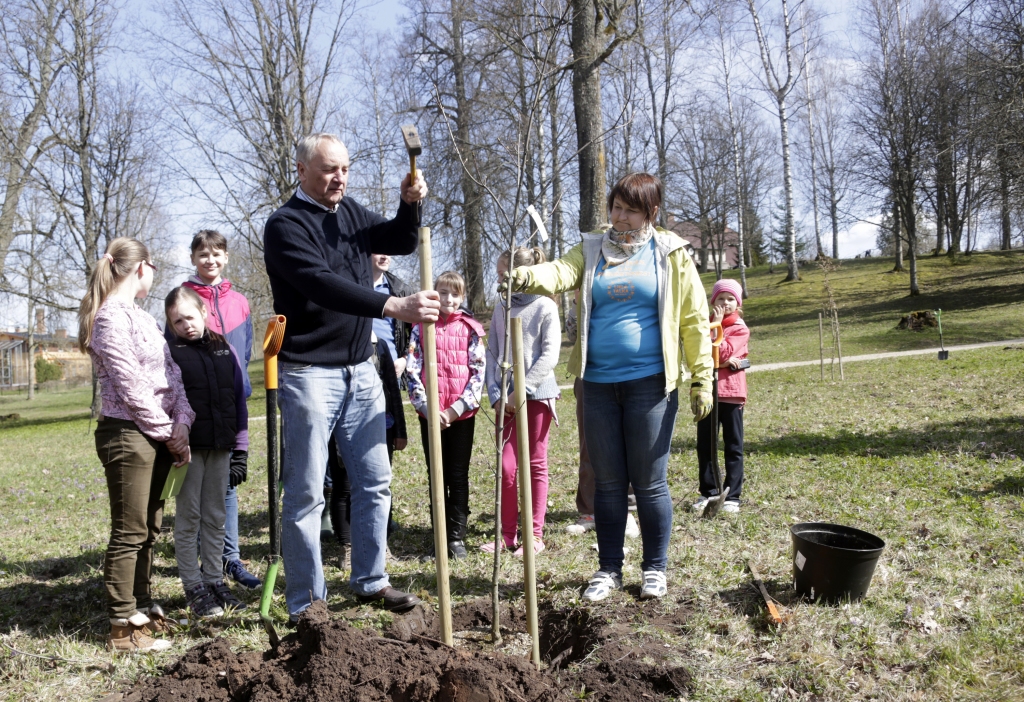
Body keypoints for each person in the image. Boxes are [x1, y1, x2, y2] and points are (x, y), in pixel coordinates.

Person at [500, 172, 713, 602]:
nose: (618, 216)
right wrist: (527, 277)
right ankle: (609, 569)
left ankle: (654, 568)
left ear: (650, 212)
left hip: (651, 384)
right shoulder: (594, 246)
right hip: (596, 384)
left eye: (628, 210)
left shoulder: (670, 253)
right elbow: (562, 272)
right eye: (614, 207)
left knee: (650, 481)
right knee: (609, 481)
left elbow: (693, 317)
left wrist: (702, 377)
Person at [263, 132, 438, 618]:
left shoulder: (352, 213)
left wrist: (409, 206)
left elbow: (400, 240)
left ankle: (370, 580)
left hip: (361, 370)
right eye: (328, 169)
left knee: (374, 481)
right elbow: (322, 285)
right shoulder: (284, 226)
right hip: (308, 375)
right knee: (305, 493)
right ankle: (306, 604)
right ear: (301, 170)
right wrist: (393, 305)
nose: (339, 178)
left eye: (344, 169)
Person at [78, 237, 193, 653]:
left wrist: (181, 423)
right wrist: (168, 431)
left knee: (149, 528)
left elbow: (171, 377)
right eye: (154, 268)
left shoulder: (142, 317)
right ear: (141, 267)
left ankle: (144, 610)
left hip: (159, 433)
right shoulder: (109, 318)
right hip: (127, 435)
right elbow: (131, 387)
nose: (155, 276)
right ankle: (123, 628)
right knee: (129, 531)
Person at [166, 230, 261, 590]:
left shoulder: (239, 301)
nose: (210, 260)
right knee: (193, 504)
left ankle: (229, 559)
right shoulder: (183, 300)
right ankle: (199, 574)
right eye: (203, 254)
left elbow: (246, 350)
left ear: (226, 256)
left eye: (217, 253)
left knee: (226, 494)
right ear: (193, 258)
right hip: (194, 418)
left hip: (226, 409)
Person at [164, 287, 250, 618]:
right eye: (177, 321)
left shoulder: (223, 348)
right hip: (186, 449)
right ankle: (194, 586)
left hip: (221, 446)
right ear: (171, 324)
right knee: (190, 518)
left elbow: (237, 400)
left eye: (190, 316)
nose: (186, 325)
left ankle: (215, 580)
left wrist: (240, 448)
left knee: (216, 516)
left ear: (203, 311)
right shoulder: (170, 352)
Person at [484, 248, 560, 556]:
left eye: (505, 275)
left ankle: (534, 535)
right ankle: (507, 535)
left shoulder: (545, 306)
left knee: (535, 464)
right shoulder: (501, 307)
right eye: (499, 274)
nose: (500, 280)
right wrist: (496, 395)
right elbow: (492, 352)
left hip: (537, 396)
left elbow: (550, 355)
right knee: (507, 466)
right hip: (505, 399)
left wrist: (523, 391)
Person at [405, 271, 485, 559]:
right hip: (431, 416)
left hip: (461, 415)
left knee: (457, 475)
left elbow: (478, 373)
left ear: (462, 297)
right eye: (442, 292)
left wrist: (454, 409)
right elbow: (412, 370)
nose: (448, 298)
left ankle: (456, 537)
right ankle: (438, 536)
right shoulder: (421, 328)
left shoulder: (471, 328)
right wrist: (427, 408)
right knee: (436, 475)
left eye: (454, 293)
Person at [329, 331, 408, 571]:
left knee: (378, 485)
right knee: (343, 488)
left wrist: (400, 430)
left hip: (380, 424)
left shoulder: (379, 345)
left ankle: (379, 545)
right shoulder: (333, 343)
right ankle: (348, 547)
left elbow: (392, 389)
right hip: (340, 427)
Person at [564, 290, 639, 540]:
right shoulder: (585, 287)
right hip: (589, 377)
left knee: (625, 444)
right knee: (590, 445)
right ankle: (589, 511)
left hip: (628, 374)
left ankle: (626, 510)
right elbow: (573, 334)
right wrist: (578, 301)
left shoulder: (625, 290)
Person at [693, 278, 749, 514]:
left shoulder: (739, 328)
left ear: (737, 304)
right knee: (705, 445)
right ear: (712, 301)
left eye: (730, 299)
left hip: (732, 394)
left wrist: (716, 331)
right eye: (720, 298)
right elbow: (701, 351)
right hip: (708, 392)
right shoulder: (702, 325)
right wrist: (724, 360)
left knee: (733, 445)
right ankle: (709, 492)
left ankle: (732, 495)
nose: (725, 303)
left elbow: (722, 350)